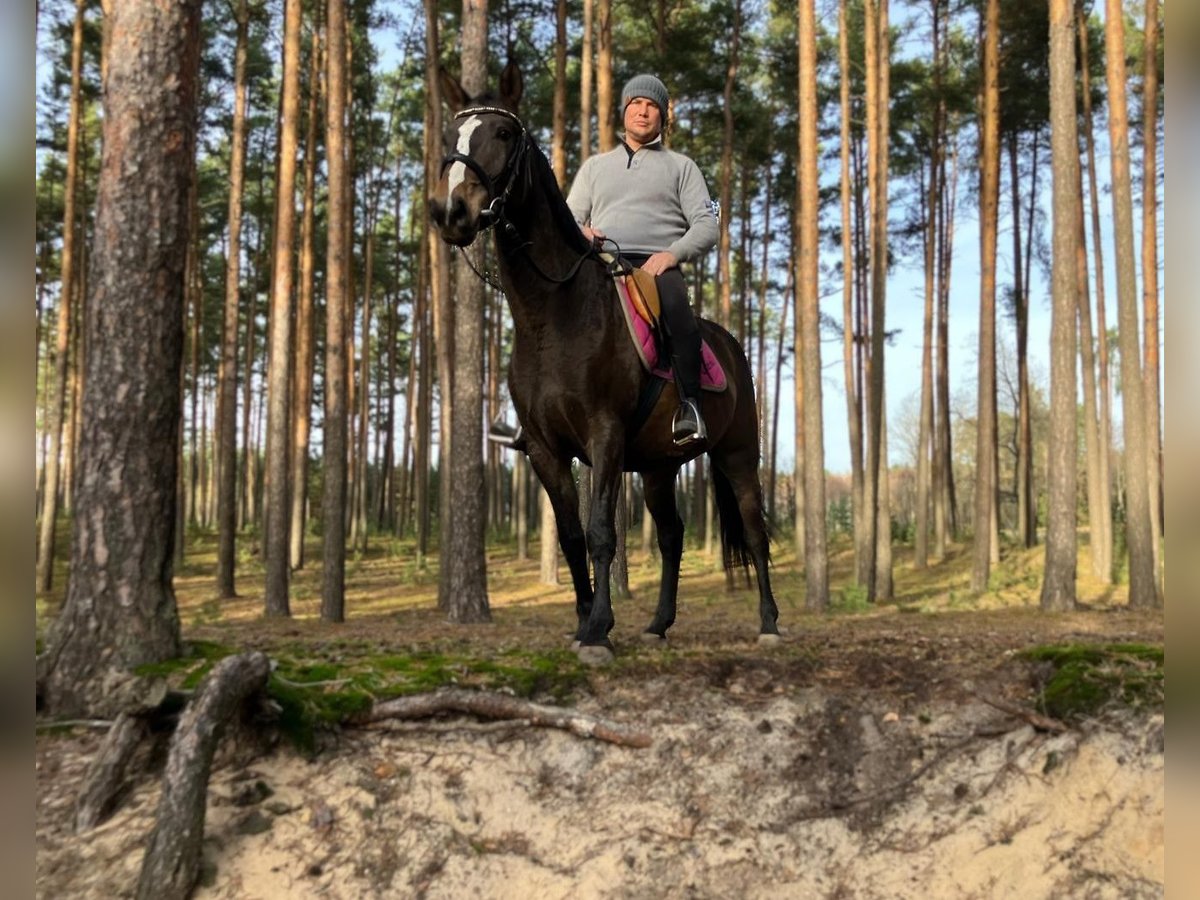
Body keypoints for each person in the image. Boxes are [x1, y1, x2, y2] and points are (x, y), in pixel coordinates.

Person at [566, 73, 719, 445]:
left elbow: (707, 225)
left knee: (678, 311)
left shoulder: (682, 167)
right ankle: (534, 411)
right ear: (624, 110)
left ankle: (690, 407)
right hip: (600, 262)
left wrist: (671, 254)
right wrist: (582, 232)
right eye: (636, 103)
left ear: (661, 118)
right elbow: (567, 217)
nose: (643, 111)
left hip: (655, 265)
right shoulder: (595, 167)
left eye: (652, 106)